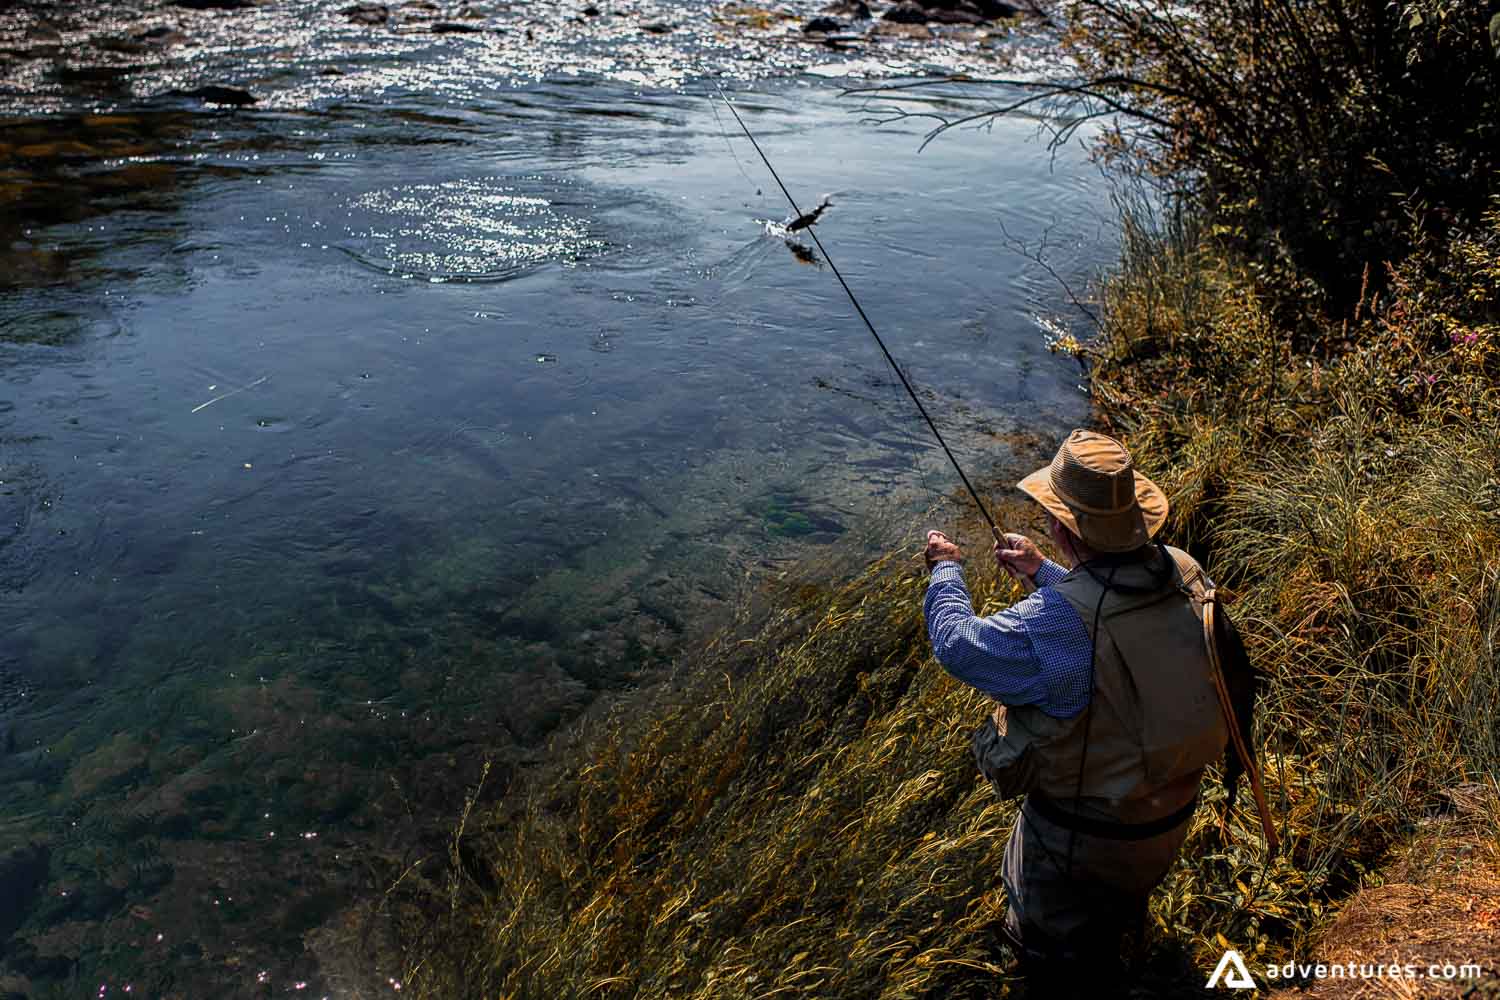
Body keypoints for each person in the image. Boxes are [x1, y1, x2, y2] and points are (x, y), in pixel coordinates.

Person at [922, 429, 1227, 992]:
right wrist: (1043, 572)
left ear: (1062, 527)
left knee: (1048, 962)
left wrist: (945, 568)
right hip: (1168, 819)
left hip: (1082, 845)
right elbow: (1115, 615)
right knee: (1114, 925)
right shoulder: (1184, 571)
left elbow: (959, 645)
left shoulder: (1057, 622)